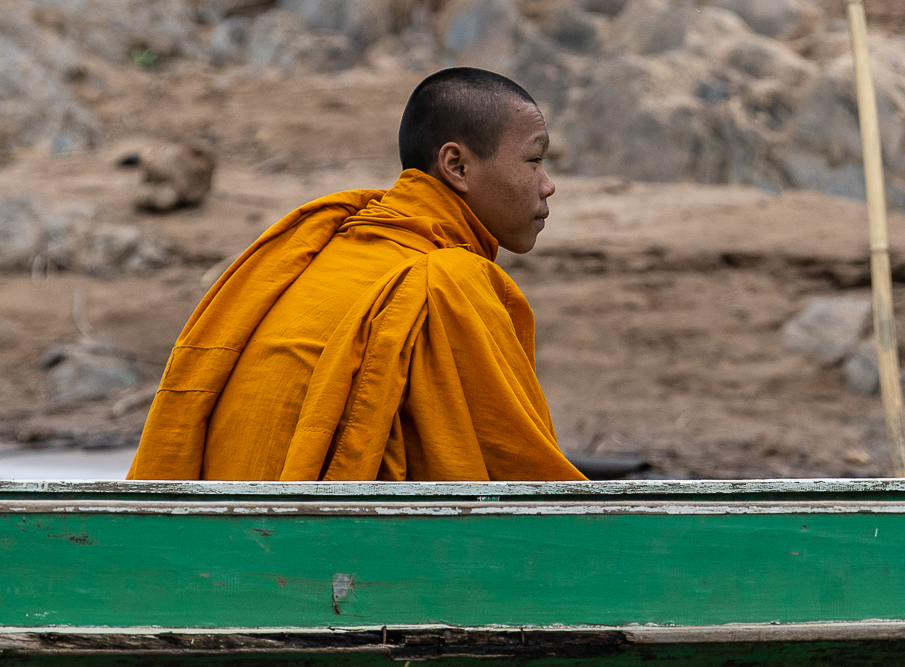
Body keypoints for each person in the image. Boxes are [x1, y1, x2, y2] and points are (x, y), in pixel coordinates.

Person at [126, 67, 585, 482]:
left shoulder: (324, 248)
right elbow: (523, 480)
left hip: (220, 544)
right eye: (534, 161)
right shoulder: (448, 281)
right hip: (319, 557)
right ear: (457, 166)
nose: (548, 185)